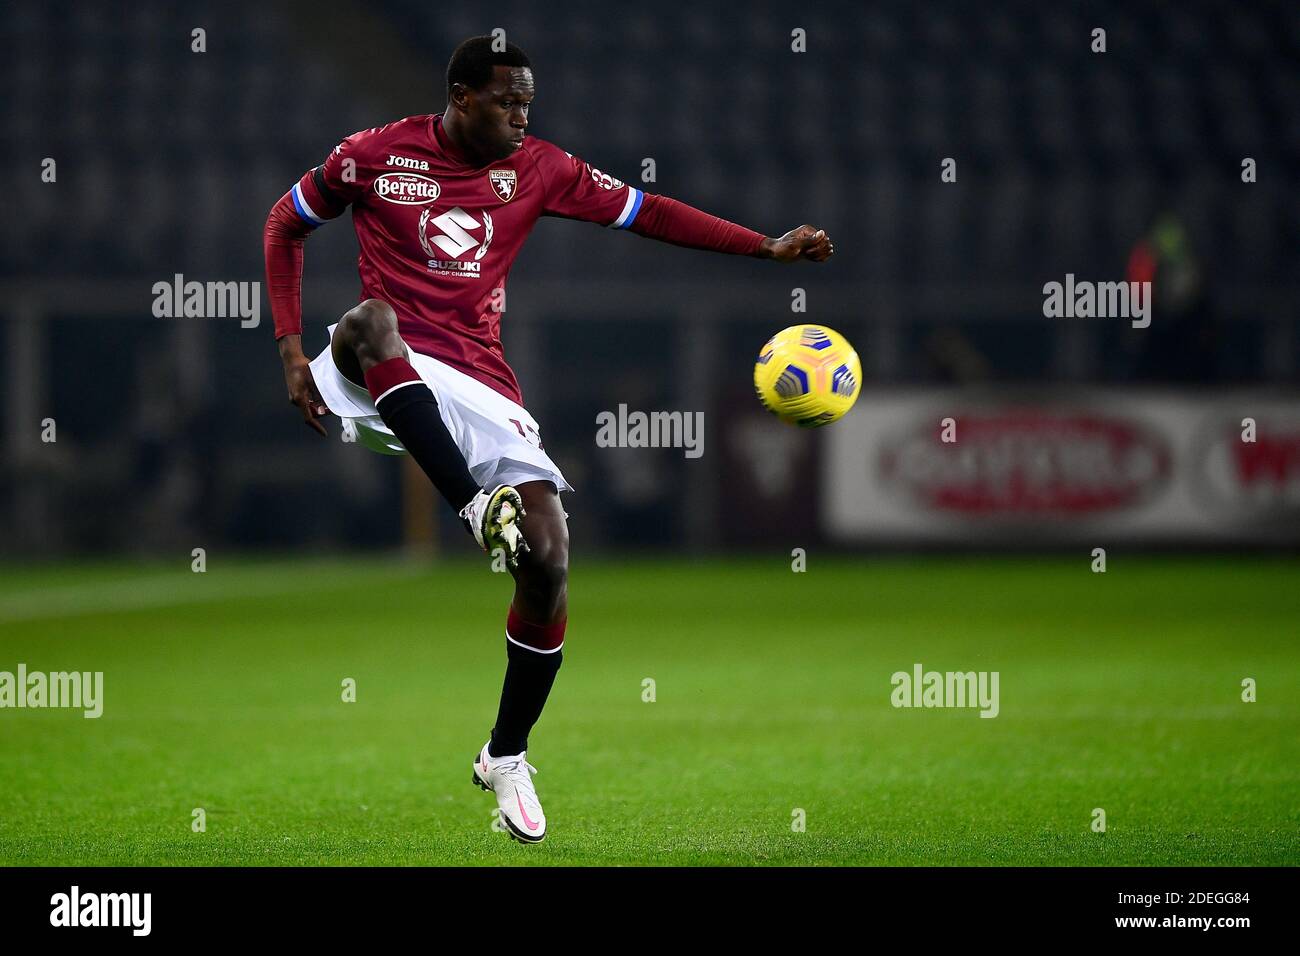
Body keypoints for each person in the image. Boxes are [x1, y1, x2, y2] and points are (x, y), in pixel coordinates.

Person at [262, 35, 834, 843]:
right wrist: (290, 348)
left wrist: (763, 245)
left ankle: (506, 753)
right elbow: (285, 224)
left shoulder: (542, 169)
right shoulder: (371, 155)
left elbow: (649, 212)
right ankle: (470, 508)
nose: (523, 116)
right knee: (367, 319)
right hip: (379, 363)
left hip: (477, 384)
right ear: (461, 98)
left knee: (550, 561)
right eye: (508, 102)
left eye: (529, 102)